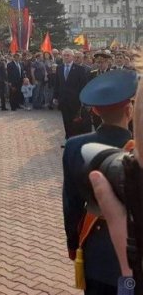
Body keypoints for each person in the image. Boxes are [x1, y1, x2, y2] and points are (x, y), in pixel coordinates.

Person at [62, 69, 137, 295]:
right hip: (132, 250)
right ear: (129, 110)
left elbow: (71, 204)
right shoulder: (138, 150)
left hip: (93, 245)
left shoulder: (74, 147)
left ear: (94, 110)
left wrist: (73, 244)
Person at [54, 49, 89, 139]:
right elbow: (57, 83)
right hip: (63, 99)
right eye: (64, 55)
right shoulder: (59, 68)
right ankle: (68, 138)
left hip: (75, 100)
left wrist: (83, 99)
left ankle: (75, 138)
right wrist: (55, 97)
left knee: (75, 120)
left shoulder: (80, 69)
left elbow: (83, 85)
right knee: (66, 120)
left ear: (72, 57)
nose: (66, 57)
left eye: (68, 55)